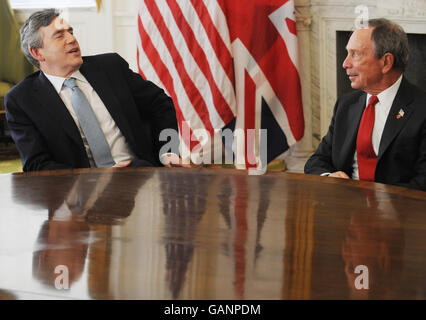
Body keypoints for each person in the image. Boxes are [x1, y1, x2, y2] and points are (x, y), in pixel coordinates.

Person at [5, 9, 186, 172]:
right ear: (37, 53)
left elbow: (160, 103)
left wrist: (167, 152)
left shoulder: (111, 67)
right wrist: (94, 179)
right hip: (80, 193)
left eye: (71, 32)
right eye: (59, 36)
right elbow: (37, 164)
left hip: (139, 173)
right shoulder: (22, 99)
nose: (71, 39)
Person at [304, 18, 426, 191]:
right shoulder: (346, 105)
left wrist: (379, 205)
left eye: (355, 54)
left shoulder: (421, 109)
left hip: (399, 213)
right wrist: (329, 177)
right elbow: (317, 160)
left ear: (386, 62)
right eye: (347, 53)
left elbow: (422, 182)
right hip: (345, 208)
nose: (345, 63)